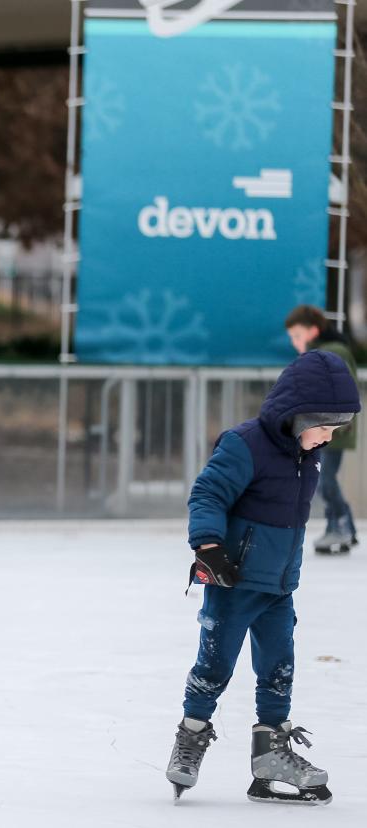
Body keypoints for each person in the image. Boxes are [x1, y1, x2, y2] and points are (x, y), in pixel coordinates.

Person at [165, 351, 360, 805]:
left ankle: (270, 754)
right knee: (214, 667)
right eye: (325, 428)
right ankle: (191, 737)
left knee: (278, 670)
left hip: (278, 587)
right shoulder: (245, 444)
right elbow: (208, 492)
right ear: (298, 416)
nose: (328, 439)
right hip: (232, 581)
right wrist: (208, 547)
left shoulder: (306, 454)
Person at [285, 304, 360, 554]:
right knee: (323, 479)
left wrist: (339, 424)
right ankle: (343, 525)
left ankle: (340, 526)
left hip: (333, 429)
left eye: (298, 336)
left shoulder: (331, 352)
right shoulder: (320, 352)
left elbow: (345, 390)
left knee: (324, 479)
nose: (295, 343)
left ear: (313, 330)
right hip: (323, 427)